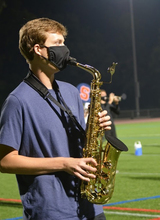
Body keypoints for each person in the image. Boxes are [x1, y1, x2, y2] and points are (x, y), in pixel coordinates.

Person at [0, 18, 112, 220]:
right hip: (52, 210)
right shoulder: (17, 101)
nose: (64, 49)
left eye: (64, 42)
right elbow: (5, 161)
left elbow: (82, 145)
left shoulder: (71, 92)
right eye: (57, 43)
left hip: (89, 205)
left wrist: (96, 131)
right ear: (38, 49)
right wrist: (63, 164)